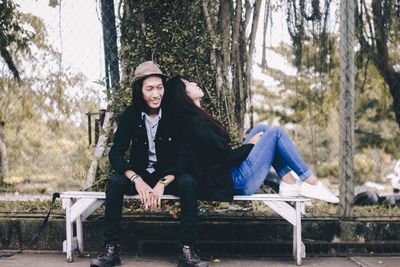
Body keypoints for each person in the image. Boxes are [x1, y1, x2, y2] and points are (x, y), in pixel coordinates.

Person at [166, 76, 339, 258]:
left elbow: (220, 157)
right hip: (236, 181)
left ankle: (288, 181)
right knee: (276, 134)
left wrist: (253, 144)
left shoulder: (196, 120)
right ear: (185, 94)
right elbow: (225, 157)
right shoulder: (197, 123)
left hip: (230, 174)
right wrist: (250, 146)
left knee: (261, 128)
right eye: (189, 84)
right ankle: (311, 182)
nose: (195, 83)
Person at [90, 61, 181, 267]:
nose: (156, 94)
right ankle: (111, 249)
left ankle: (188, 250)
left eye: (159, 88)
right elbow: (116, 155)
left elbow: (183, 159)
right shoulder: (129, 116)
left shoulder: (175, 116)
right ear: (139, 91)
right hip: (138, 174)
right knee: (114, 183)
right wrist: (136, 179)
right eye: (150, 89)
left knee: (190, 183)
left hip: (167, 176)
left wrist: (163, 182)